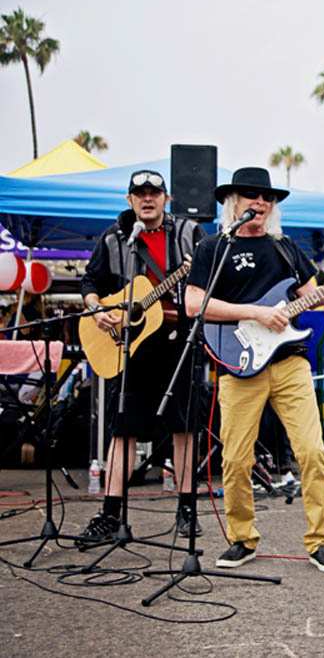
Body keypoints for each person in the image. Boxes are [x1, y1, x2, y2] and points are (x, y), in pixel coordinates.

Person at [184, 167, 324, 573]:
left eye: (267, 198)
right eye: (252, 196)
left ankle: (320, 540)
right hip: (239, 364)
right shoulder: (212, 249)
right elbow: (194, 305)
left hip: (289, 362)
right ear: (232, 202)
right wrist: (255, 312)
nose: (260, 203)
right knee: (236, 459)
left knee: (311, 450)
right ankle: (242, 538)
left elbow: (314, 298)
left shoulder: (286, 248)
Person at [76, 169, 205, 544]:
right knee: (122, 428)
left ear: (166, 198)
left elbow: (209, 272)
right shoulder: (115, 237)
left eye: (154, 192)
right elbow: (90, 282)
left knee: (184, 426)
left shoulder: (189, 234)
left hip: (176, 339)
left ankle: (186, 508)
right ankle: (110, 513)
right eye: (139, 194)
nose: (147, 199)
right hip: (127, 346)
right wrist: (97, 310)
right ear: (129, 200)